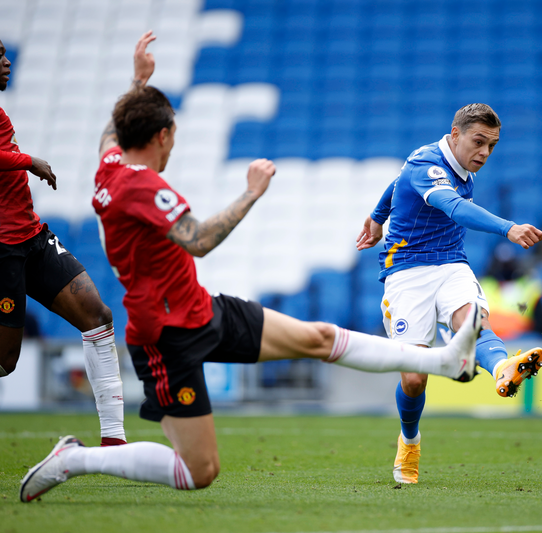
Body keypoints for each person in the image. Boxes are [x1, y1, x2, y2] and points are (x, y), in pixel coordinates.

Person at [19, 32, 480, 503]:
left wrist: (139, 84)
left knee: (318, 337)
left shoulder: (109, 167)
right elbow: (199, 240)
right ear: (161, 136)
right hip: (165, 335)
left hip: (202, 310)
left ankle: (441, 360)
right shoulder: (142, 189)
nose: (172, 147)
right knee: (199, 471)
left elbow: (109, 135)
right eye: (172, 136)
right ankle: (74, 458)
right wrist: (251, 192)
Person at [355, 103, 542, 484]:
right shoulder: (428, 164)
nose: (484, 153)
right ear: (455, 135)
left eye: (491, 146)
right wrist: (508, 228)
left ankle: (501, 368)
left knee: (470, 321)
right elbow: (454, 207)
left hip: (451, 264)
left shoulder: (455, 165)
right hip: (406, 272)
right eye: (479, 142)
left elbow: (396, 184)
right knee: (413, 379)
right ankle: (409, 441)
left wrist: (377, 217)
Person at [0, 39, 126, 446]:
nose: (6, 62)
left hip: (33, 237)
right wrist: (28, 160)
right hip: (2, 250)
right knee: (6, 362)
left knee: (98, 315)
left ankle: (114, 441)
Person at [480, 243, 542, 339]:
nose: (504, 268)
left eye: (508, 264)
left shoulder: (530, 287)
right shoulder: (484, 286)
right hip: (491, 339)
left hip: (521, 341)